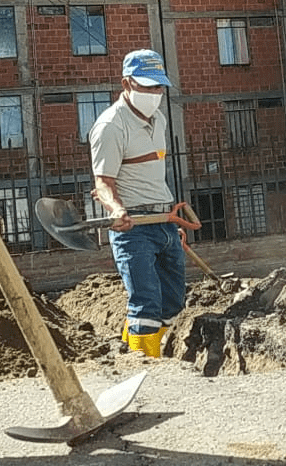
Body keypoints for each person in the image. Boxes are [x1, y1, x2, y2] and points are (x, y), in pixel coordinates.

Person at [89, 49, 185, 358]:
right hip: (134, 228)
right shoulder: (110, 126)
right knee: (146, 303)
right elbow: (103, 183)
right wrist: (117, 210)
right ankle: (144, 365)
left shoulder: (160, 120)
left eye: (159, 87)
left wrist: (167, 214)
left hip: (163, 222)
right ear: (127, 83)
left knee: (173, 303)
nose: (155, 94)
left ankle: (143, 349)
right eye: (147, 86)